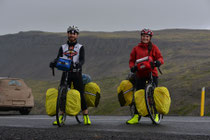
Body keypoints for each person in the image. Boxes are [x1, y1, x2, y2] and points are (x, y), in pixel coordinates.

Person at [50, 25, 91, 125]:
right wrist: (53, 63)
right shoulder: (63, 47)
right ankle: (61, 118)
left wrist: (78, 64)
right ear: (67, 34)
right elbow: (58, 58)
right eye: (70, 33)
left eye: (74, 33)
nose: (72, 35)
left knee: (80, 94)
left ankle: (86, 116)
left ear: (77, 35)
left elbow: (82, 60)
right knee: (62, 95)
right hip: (65, 73)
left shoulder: (80, 47)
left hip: (76, 73)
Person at [127, 28, 164, 124]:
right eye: (143, 36)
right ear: (141, 37)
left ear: (150, 38)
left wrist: (158, 61)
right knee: (138, 95)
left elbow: (160, 57)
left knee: (154, 94)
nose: (145, 38)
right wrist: (132, 67)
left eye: (147, 36)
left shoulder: (154, 47)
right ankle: (136, 116)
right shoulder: (136, 49)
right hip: (140, 74)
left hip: (152, 74)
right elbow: (131, 60)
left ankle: (156, 114)